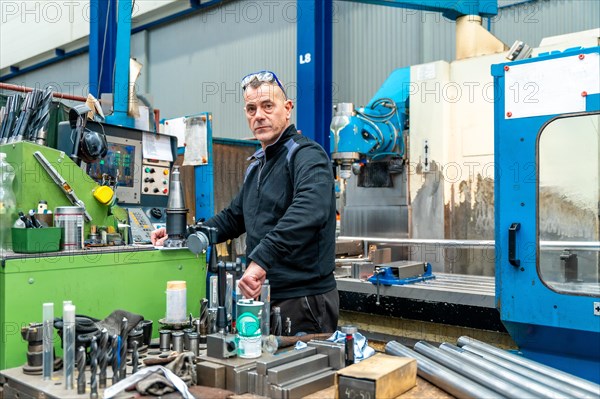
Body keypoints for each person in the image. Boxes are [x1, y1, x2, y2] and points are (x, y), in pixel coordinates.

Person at [151, 71, 338, 335]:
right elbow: (234, 217)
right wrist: (184, 235)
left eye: (267, 106)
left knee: (303, 373)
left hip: (303, 299)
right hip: (265, 293)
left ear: (287, 110)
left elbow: (310, 210)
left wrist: (261, 259)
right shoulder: (258, 164)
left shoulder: (307, 155)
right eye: (251, 109)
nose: (258, 115)